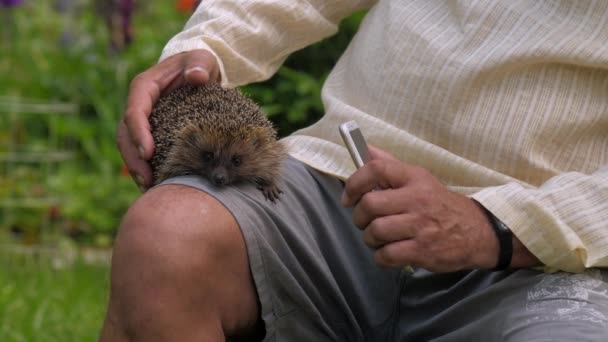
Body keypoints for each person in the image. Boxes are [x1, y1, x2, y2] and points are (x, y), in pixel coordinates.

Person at [100, 1, 608, 341]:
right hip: (341, 180)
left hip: (549, 259)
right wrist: (209, 44)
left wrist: (497, 225)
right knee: (166, 238)